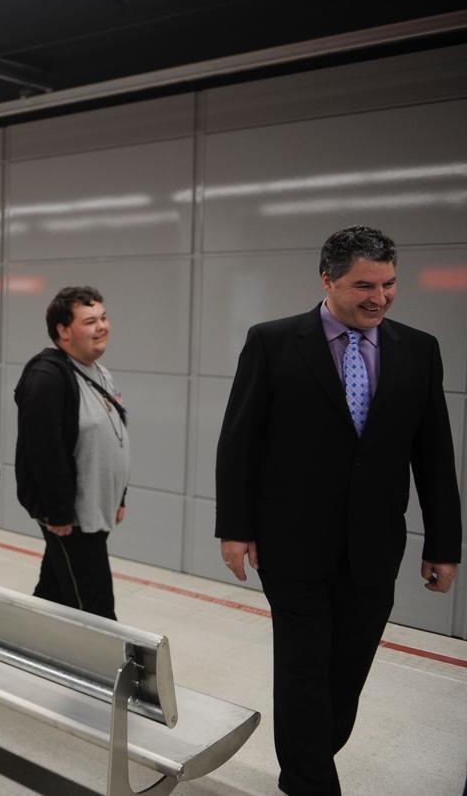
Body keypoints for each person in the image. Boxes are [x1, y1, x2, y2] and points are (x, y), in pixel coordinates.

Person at [215, 225, 460, 796]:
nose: (379, 297)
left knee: (345, 674)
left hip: (374, 546)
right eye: (363, 286)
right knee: (303, 669)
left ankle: (309, 755)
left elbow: (435, 454)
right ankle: (309, 782)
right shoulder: (274, 342)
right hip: (291, 543)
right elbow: (239, 440)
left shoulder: (418, 350)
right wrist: (234, 528)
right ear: (327, 281)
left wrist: (445, 544)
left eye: (389, 283)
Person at [13, 286, 128, 619]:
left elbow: (114, 434)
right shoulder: (47, 377)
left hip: (95, 506)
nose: (102, 326)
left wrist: (119, 496)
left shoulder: (97, 371)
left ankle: (30, 638)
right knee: (94, 605)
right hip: (73, 517)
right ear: (63, 330)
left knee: (56, 587)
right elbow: (44, 450)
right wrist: (59, 512)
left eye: (103, 318)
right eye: (90, 321)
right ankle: (99, 664)